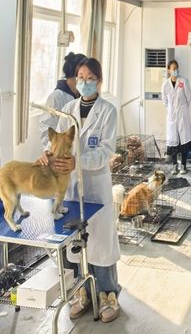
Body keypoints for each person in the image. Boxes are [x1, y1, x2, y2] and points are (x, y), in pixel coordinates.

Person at [38, 58, 121, 323]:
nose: (84, 82)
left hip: (96, 185)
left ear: (99, 81)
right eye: (81, 77)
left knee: (101, 243)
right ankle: (82, 293)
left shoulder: (108, 111)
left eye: (90, 78)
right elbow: (58, 141)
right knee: (76, 241)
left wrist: (79, 162)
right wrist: (47, 153)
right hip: (71, 186)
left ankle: (108, 294)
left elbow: (106, 151)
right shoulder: (69, 109)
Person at [40, 52, 87, 149]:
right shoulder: (56, 97)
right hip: (61, 152)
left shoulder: (81, 95)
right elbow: (46, 131)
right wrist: (54, 151)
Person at [161, 60, 191, 174]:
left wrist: (182, 108)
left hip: (182, 115)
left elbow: (189, 97)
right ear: (169, 70)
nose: (175, 70)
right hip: (172, 117)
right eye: (173, 68)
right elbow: (164, 101)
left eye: (176, 68)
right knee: (173, 143)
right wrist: (171, 110)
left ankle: (183, 165)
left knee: (183, 143)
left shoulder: (183, 81)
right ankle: (174, 166)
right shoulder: (165, 85)